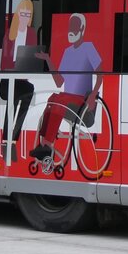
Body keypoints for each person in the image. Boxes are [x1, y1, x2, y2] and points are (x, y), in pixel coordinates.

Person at [30, 13, 102, 163]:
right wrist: (48, 60)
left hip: (82, 103)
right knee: (53, 98)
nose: (70, 30)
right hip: (68, 99)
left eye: (74, 27)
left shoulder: (88, 48)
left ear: (82, 28)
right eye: (70, 27)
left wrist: (93, 95)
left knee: (60, 99)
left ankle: (47, 145)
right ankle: (44, 144)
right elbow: (59, 81)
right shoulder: (67, 52)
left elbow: (100, 73)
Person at [0, 0, 38, 162]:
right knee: (14, 98)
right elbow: (3, 64)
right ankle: (7, 141)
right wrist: (15, 67)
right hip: (8, 78)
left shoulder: (32, 34)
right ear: (17, 15)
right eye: (22, 13)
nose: (25, 17)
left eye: (28, 15)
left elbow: (32, 58)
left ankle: (11, 139)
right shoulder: (10, 33)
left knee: (28, 90)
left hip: (21, 79)